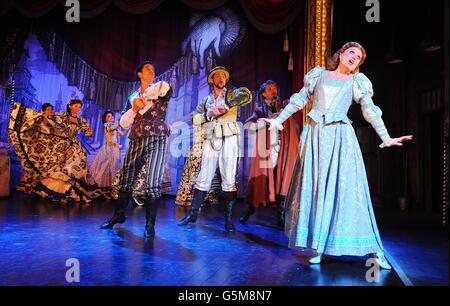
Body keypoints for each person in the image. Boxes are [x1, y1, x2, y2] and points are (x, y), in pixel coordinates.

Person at [260, 42, 413, 269]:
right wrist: (277, 120)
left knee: (350, 192)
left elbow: (369, 110)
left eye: (359, 57)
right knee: (318, 190)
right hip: (315, 138)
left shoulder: (356, 82)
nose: (354, 58)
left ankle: (374, 250)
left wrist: (386, 137)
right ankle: (319, 247)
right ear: (341, 54)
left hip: (340, 138)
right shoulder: (318, 75)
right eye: (352, 52)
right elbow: (299, 100)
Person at [100, 61, 172, 246]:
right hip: (137, 138)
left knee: (153, 182)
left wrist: (143, 98)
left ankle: (150, 225)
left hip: (157, 138)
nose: (152, 71)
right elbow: (124, 123)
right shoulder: (133, 96)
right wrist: (134, 107)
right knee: (126, 178)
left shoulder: (160, 87)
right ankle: (119, 215)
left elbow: (165, 89)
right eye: (148, 68)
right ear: (139, 74)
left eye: (153, 69)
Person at [177, 66, 252, 232]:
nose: (221, 78)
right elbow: (193, 118)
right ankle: (192, 214)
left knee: (229, 176)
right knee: (204, 174)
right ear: (212, 80)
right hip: (212, 138)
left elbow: (247, 95)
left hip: (230, 137)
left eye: (223, 77)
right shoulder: (206, 100)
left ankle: (228, 220)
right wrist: (207, 115)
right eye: (217, 76)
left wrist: (227, 105)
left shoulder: (232, 93)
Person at [10, 99, 102, 203]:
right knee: (61, 167)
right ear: (70, 106)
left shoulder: (81, 120)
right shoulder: (63, 115)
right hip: (62, 143)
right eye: (76, 106)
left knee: (77, 165)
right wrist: (44, 116)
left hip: (75, 145)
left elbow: (87, 131)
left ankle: (72, 191)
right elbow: (52, 118)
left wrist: (88, 133)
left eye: (79, 107)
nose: (78, 109)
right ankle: (59, 190)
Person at [241, 81, 300, 228]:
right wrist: (261, 122)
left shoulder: (285, 105)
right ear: (263, 93)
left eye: (275, 88)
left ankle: (281, 215)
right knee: (262, 179)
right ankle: (250, 209)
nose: (273, 90)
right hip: (267, 149)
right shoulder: (260, 110)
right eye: (269, 88)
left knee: (283, 178)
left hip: (284, 146)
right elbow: (248, 126)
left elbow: (296, 107)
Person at [90, 111, 127, 189]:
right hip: (109, 149)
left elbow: (123, 134)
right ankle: (103, 183)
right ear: (105, 119)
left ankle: (112, 183)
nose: (111, 117)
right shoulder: (106, 125)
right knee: (106, 166)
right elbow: (110, 128)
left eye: (112, 116)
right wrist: (121, 123)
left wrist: (128, 127)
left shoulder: (115, 127)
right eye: (108, 116)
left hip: (115, 149)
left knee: (115, 166)